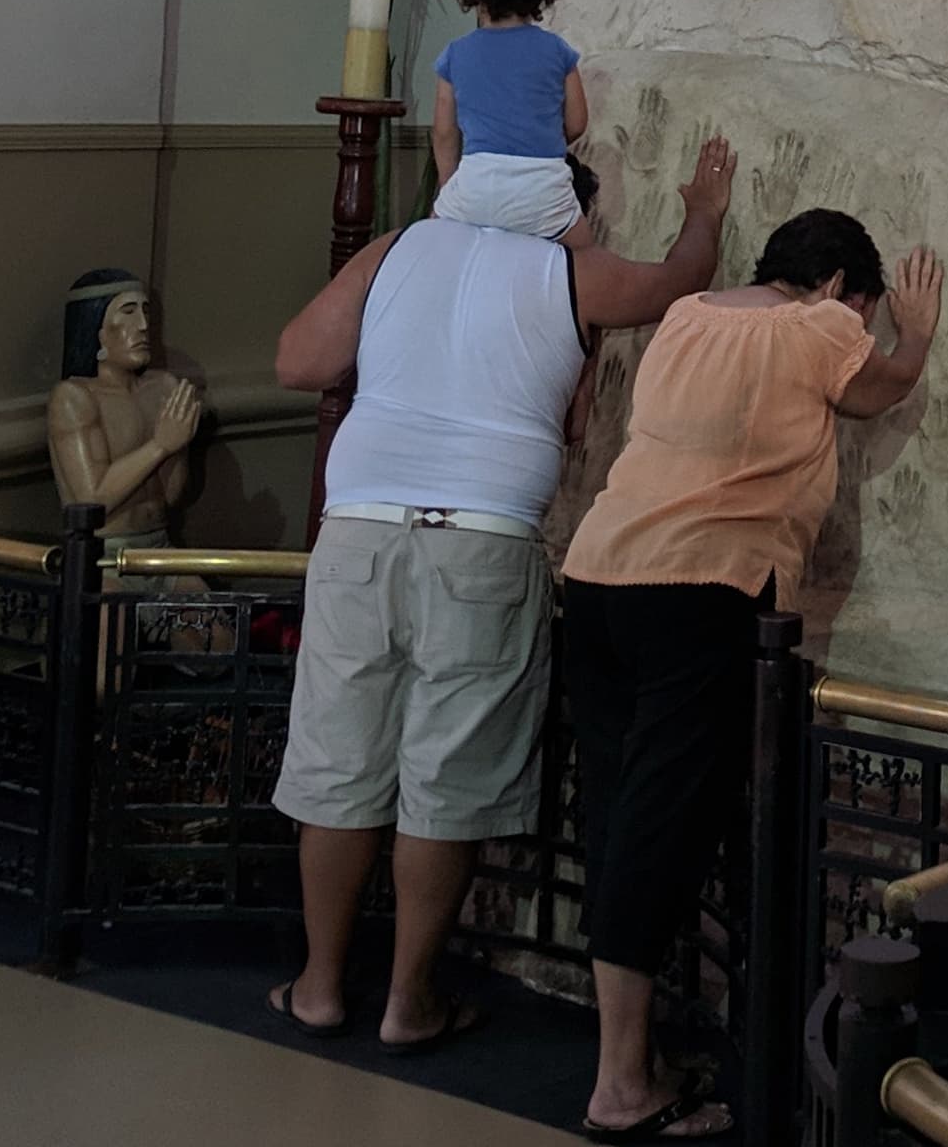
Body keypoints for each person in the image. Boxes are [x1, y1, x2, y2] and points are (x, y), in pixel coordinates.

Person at [264, 136, 737, 1051]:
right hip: (481, 540)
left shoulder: (394, 249)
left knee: (337, 761)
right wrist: (705, 214)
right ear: (560, 210)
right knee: (446, 772)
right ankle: (409, 1003)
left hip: (360, 527)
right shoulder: (568, 273)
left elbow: (296, 360)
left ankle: (320, 988)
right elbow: (677, 282)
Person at [556, 211, 945, 1142]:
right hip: (701, 589)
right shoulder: (819, 326)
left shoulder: (688, 315)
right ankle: (620, 1086)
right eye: (863, 303)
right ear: (843, 287)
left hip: (598, 575)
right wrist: (917, 335)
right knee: (664, 819)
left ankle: (631, 1057)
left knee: (615, 807)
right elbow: (877, 389)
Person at [427, 0, 589, 239]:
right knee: (584, 253)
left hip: (476, 183)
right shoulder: (558, 51)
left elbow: (444, 133)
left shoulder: (456, 54)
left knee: (433, 241)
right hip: (543, 190)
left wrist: (448, 186)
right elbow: (577, 122)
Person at [45, 270, 205, 547]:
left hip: (159, 545)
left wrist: (180, 446)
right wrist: (160, 446)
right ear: (96, 330)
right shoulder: (74, 397)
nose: (143, 325)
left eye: (145, 311)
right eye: (128, 312)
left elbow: (172, 496)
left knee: (199, 591)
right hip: (102, 552)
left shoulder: (163, 386)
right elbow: (91, 501)